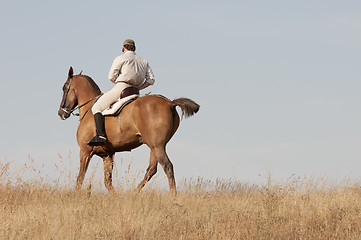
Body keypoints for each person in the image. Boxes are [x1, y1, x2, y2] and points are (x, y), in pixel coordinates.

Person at [88, 39, 155, 146]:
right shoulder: (144, 62)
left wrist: (118, 83)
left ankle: (101, 135)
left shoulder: (121, 58)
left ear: (124, 48)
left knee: (96, 107)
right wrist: (139, 87)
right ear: (134, 48)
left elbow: (111, 76)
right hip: (135, 91)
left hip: (121, 88)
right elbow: (151, 80)